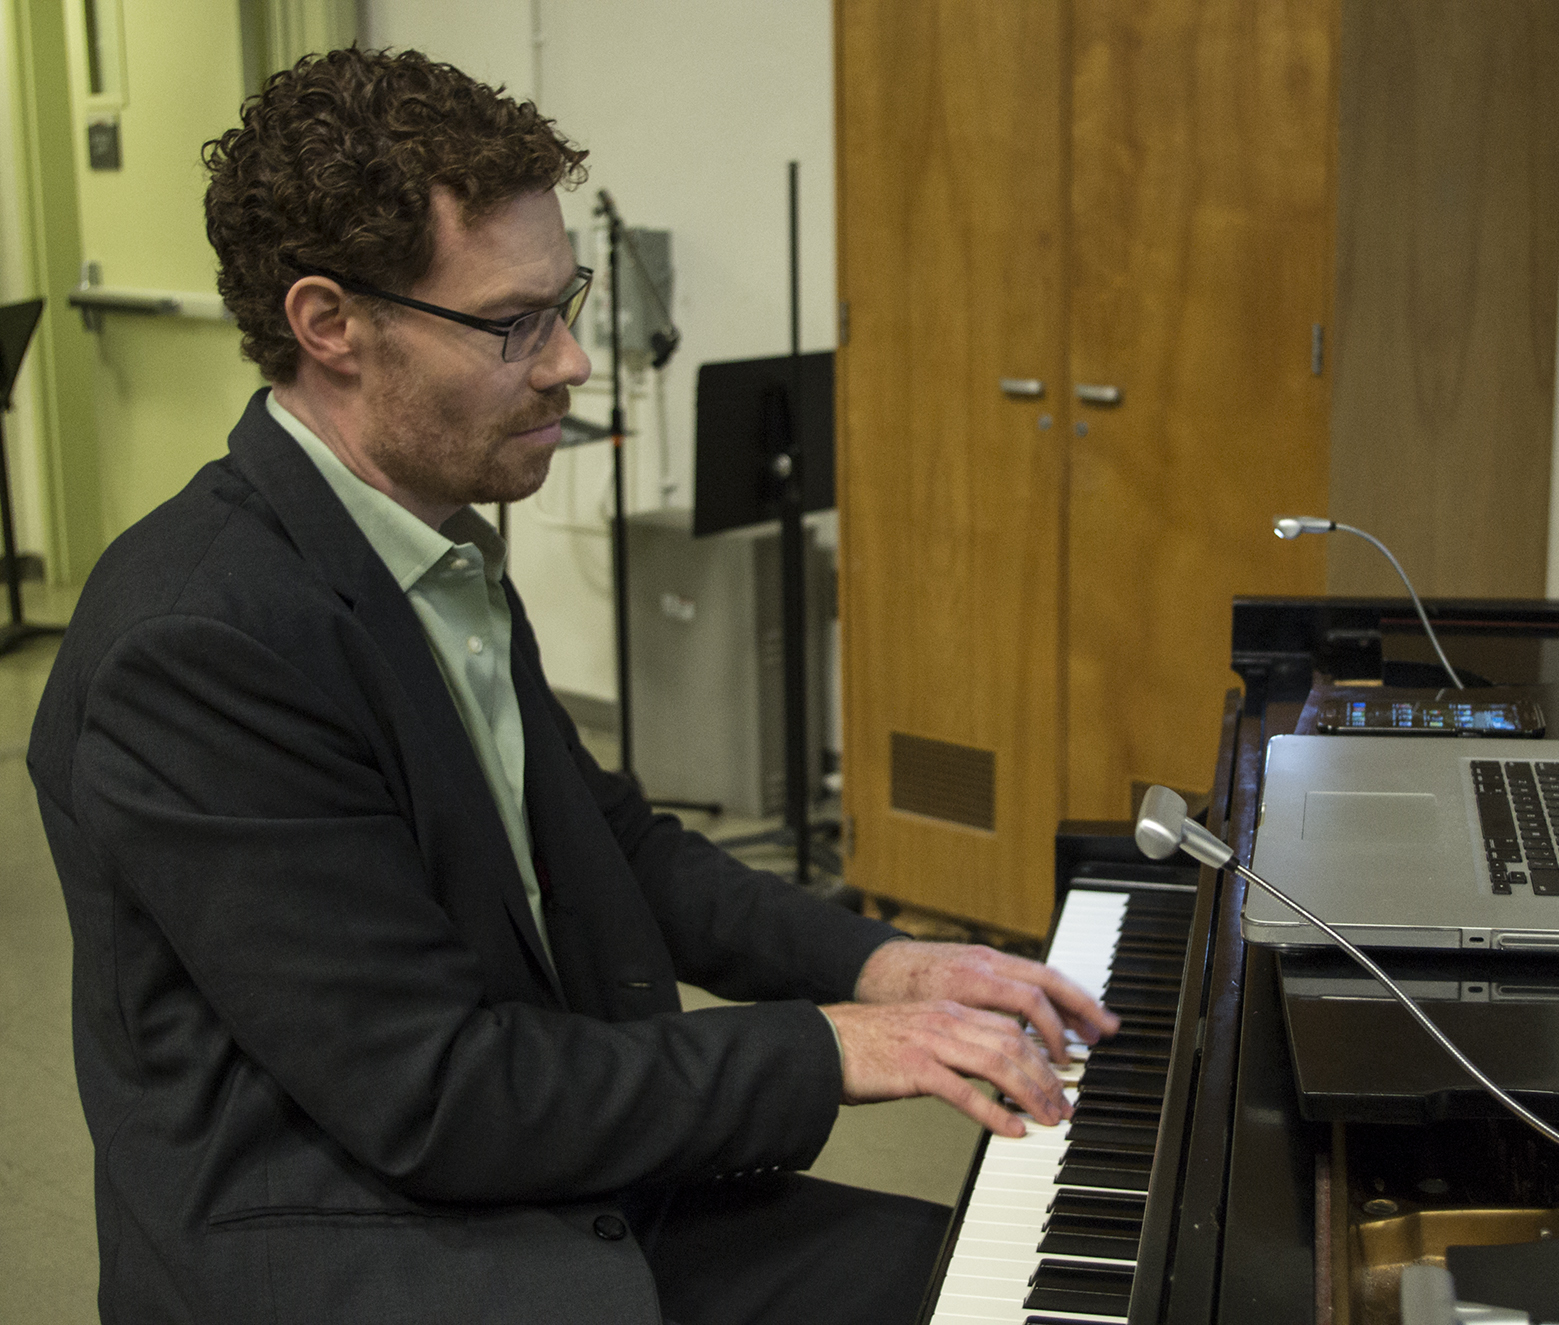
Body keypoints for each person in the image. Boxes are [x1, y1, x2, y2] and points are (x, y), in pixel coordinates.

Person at [28, 46, 1116, 1325]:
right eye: (513, 323)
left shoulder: (428, 535)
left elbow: (612, 848)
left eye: (567, 300)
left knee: (994, 1289)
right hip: (365, 1245)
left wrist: (881, 966)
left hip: (533, 1176)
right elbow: (433, 1091)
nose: (571, 362)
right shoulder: (202, 642)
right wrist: (832, 1045)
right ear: (329, 325)